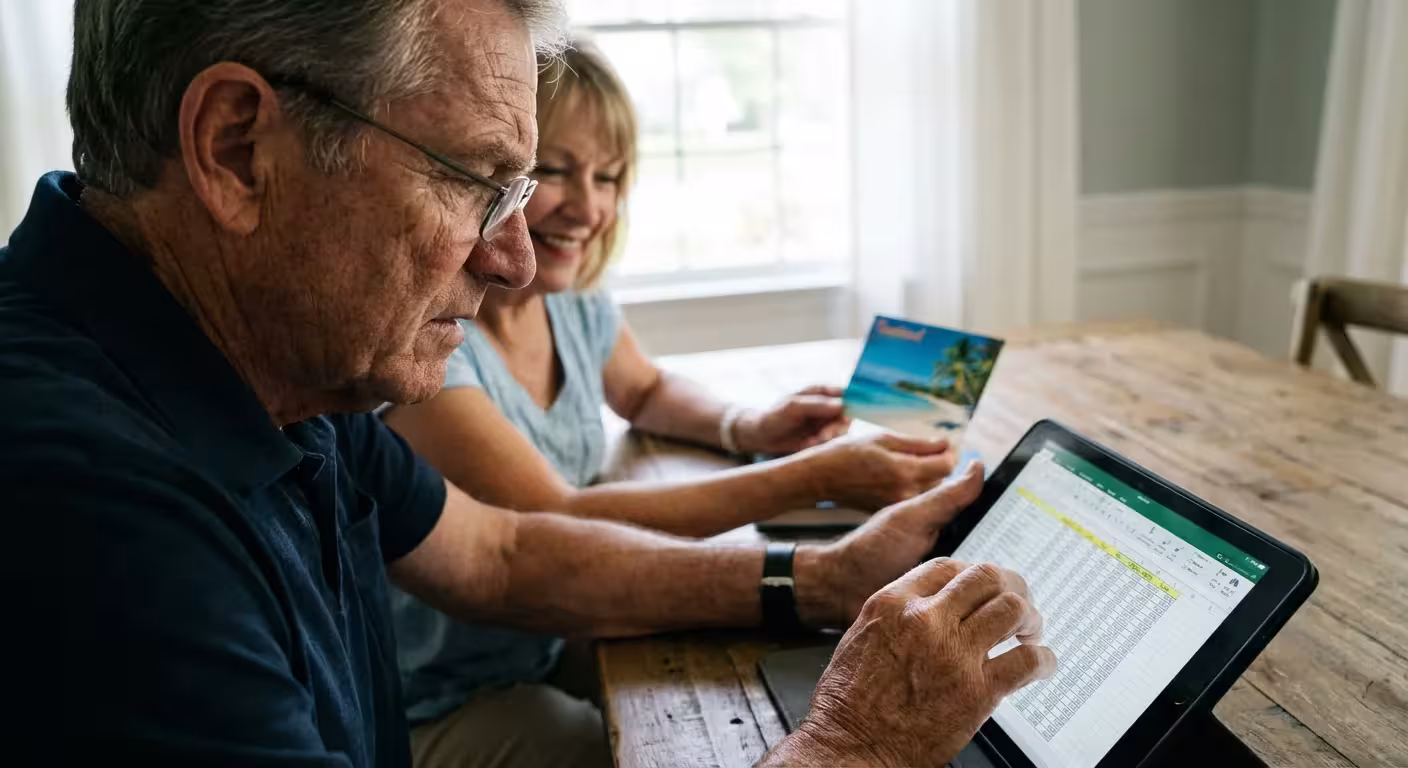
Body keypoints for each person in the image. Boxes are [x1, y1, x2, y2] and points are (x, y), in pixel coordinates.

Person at [0, 2, 1055, 768]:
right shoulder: (81, 503)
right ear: (237, 148)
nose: (513, 261)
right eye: (473, 179)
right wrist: (856, 748)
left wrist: (816, 580)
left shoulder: (278, 368)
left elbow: (499, 553)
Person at [381, 43, 963, 762]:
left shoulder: (574, 300)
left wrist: (745, 423)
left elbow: (645, 389)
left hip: (546, 634)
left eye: (611, 176)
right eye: (555, 171)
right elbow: (551, 518)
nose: (589, 206)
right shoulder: (429, 348)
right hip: (439, 696)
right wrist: (819, 475)